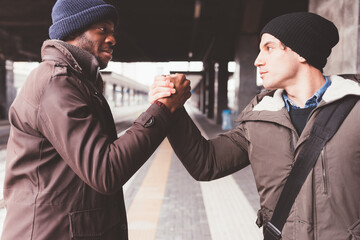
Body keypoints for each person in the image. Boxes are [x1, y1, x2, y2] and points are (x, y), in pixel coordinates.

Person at [151, 12, 360, 239]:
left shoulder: (355, 110)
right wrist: (172, 108)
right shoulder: (259, 119)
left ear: (301, 52)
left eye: (269, 48)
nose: (257, 60)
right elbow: (206, 163)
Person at [1, 0, 190, 239]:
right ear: (73, 31)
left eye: (113, 32)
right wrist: (161, 109)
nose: (112, 39)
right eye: (102, 29)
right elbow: (105, 171)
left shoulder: (78, 83)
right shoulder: (56, 83)